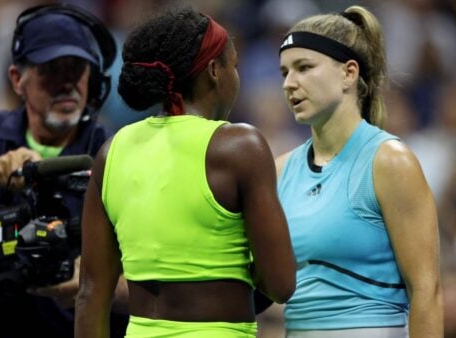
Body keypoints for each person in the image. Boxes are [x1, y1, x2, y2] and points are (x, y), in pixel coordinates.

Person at [75, 7, 296, 338]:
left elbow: (91, 293)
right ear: (213, 71)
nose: (238, 76)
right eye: (233, 65)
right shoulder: (240, 147)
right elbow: (280, 284)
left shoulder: (112, 151)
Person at [275, 5, 443, 338]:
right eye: (284, 73)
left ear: (349, 74)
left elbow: (427, 291)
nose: (290, 84)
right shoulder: (279, 170)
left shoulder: (390, 162)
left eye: (304, 68)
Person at [0, 4, 128, 338]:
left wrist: (95, 285)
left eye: (77, 69)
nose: (67, 83)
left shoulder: (115, 152)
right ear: (17, 79)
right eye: (51, 70)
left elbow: (155, 279)